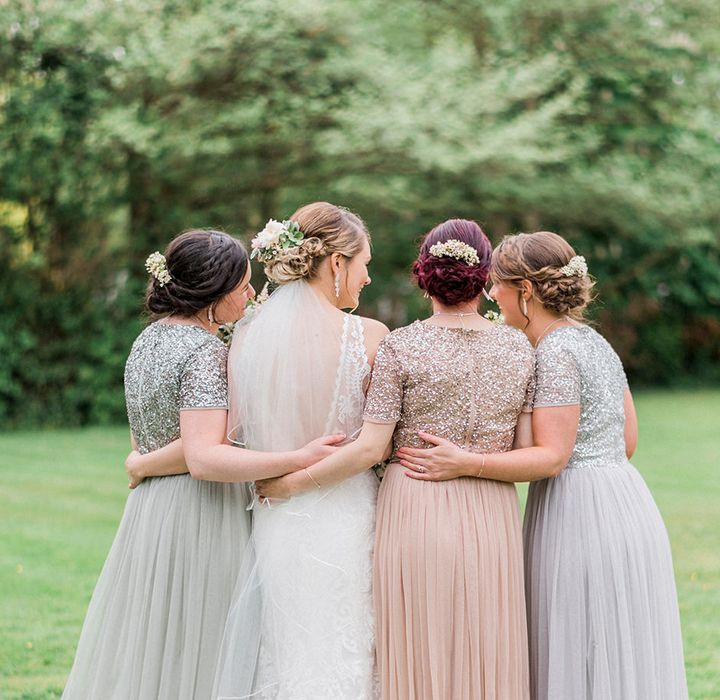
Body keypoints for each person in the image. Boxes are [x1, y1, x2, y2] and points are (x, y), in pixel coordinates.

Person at [398, 231, 688, 699]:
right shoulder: (595, 341)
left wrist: (466, 461)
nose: (491, 294)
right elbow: (627, 440)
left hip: (579, 514)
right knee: (613, 649)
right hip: (625, 500)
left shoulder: (553, 352)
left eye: (498, 285)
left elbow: (552, 457)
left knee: (578, 642)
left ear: (525, 292)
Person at [258, 219, 535, 700]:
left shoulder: (400, 346)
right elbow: (529, 450)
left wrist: (289, 484)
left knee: (417, 642)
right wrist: (474, 458)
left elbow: (371, 448)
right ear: (485, 278)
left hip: (413, 504)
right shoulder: (519, 347)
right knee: (486, 638)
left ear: (423, 275)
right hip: (492, 508)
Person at [63, 229, 343, 700]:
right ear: (214, 292)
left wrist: (140, 465)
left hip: (150, 513)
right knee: (209, 645)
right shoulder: (205, 353)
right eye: (243, 285)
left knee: (161, 647)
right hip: (201, 513)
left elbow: (148, 443)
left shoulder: (146, 341)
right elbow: (204, 455)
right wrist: (300, 456)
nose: (252, 294)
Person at [213, 203, 389, 700]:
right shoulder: (370, 337)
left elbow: (236, 436)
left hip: (278, 515)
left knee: (290, 652)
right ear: (336, 263)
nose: (368, 277)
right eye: (364, 263)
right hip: (350, 516)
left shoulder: (245, 337)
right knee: (348, 648)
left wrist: (283, 479)